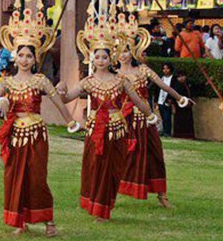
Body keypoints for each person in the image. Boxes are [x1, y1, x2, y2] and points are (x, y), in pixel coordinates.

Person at [56, 13, 157, 222]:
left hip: (117, 129)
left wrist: (150, 115)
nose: (100, 60)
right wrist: (61, 90)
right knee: (95, 167)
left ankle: (106, 205)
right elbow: (65, 100)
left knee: (113, 168)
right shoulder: (88, 82)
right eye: (97, 56)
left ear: (111, 58)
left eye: (104, 57)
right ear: (91, 57)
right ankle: (97, 206)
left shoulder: (120, 80)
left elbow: (137, 100)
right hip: (95, 130)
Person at [0, 5, 75, 236]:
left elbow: (58, 101)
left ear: (35, 58)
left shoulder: (40, 80)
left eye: (29, 55)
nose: (24, 59)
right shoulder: (7, 81)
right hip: (15, 134)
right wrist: (0, 102)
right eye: (21, 54)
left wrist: (70, 121)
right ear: (14, 56)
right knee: (15, 177)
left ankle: (48, 220)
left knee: (37, 177)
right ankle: (20, 220)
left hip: (36, 134)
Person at [114, 15, 192, 207]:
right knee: (120, 157)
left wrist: (180, 97)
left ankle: (162, 196)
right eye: (119, 51)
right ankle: (110, 195)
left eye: (126, 51)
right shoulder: (114, 75)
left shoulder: (143, 70)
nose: (123, 55)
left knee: (155, 156)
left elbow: (163, 85)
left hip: (146, 121)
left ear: (133, 51)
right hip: (124, 121)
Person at [155, 63, 176, 136]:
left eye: (167, 68)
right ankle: (164, 131)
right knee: (163, 117)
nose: (165, 70)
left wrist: (171, 99)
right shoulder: (161, 78)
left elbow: (173, 89)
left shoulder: (173, 78)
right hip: (160, 100)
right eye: (164, 69)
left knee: (167, 117)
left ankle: (168, 132)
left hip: (168, 101)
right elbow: (157, 89)